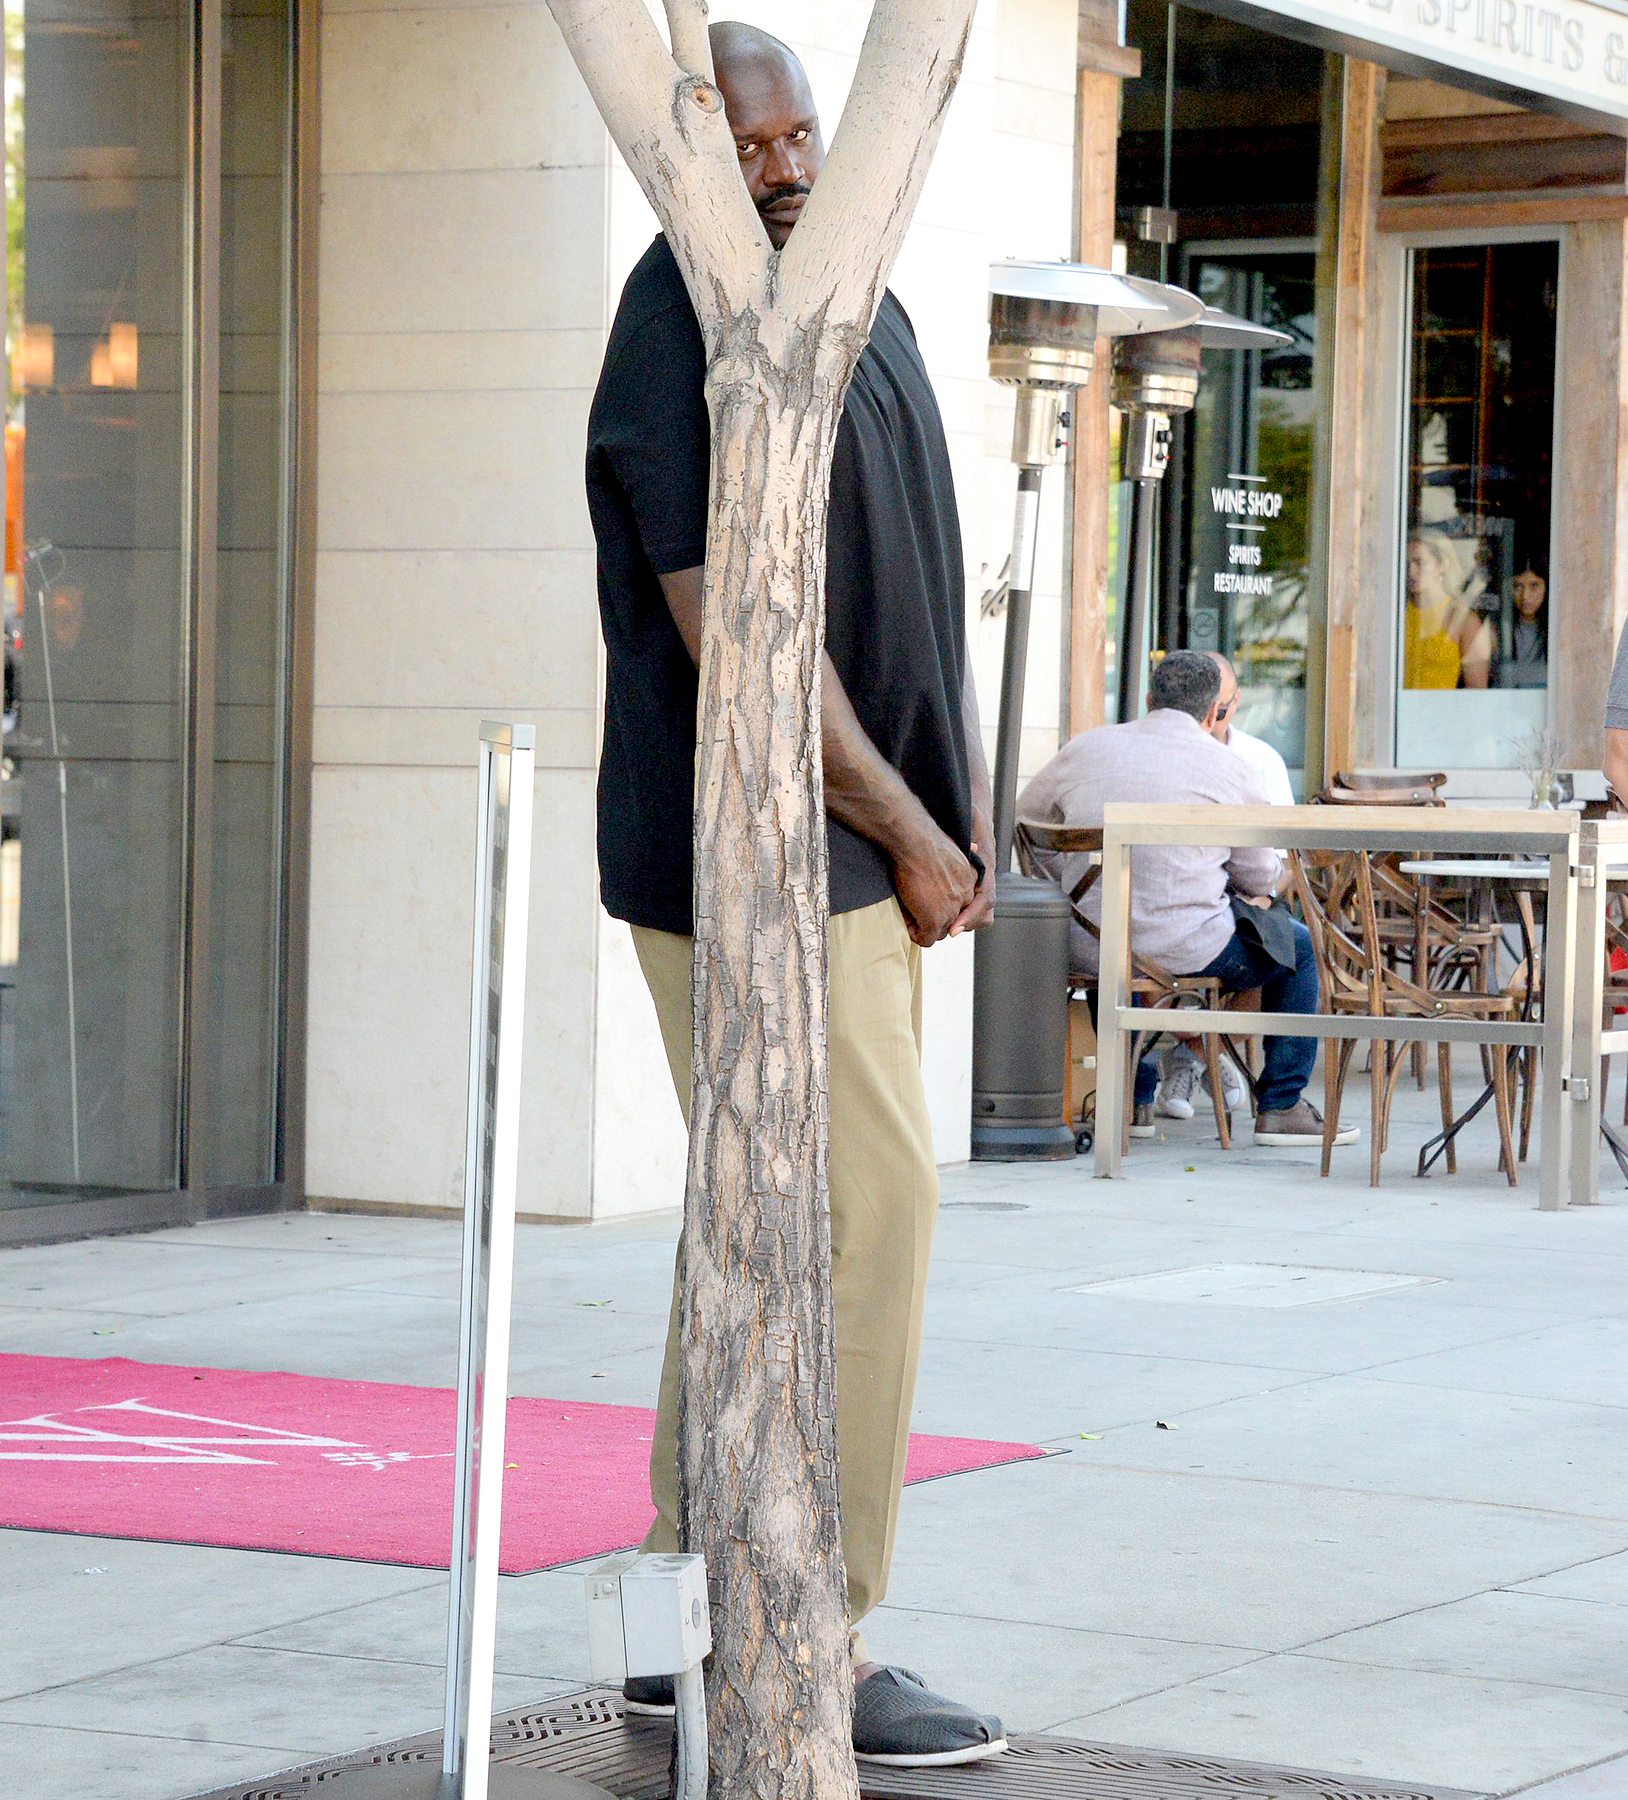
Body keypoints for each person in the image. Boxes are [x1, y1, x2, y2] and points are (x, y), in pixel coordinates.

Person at [585, 21, 1004, 1767]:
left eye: (797, 134)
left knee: (755, 1230)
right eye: (746, 142)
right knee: (864, 1214)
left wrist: (939, 823)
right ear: (687, 146)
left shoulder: (854, 298)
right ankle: (814, 1632)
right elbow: (732, 626)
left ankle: (683, 1617)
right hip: (758, 855)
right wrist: (908, 828)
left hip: (862, 853)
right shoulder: (678, 319)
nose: (779, 169)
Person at [1018, 650, 1357, 1149]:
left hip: (1085, 943)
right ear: (1214, 712)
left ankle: (1132, 1099)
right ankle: (1282, 1106)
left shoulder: (1084, 747)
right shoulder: (1229, 766)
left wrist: (1070, 893)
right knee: (1299, 948)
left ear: (1149, 700)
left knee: (1115, 946)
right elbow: (1261, 874)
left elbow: (1027, 824)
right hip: (1187, 948)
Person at [1154, 652, 1293, 1122]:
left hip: (1236, 900)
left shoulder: (1259, 760)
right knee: (1285, 945)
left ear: (1233, 705)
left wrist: (1261, 896)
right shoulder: (1160, 756)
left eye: (1226, 706)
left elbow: (1283, 859)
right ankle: (1220, 1064)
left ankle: (1192, 1057)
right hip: (1175, 908)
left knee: (1269, 931)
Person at [1404, 531, 1492, 690]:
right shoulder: (1395, 613)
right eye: (1406, 564)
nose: (1411, 572)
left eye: (1420, 563)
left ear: (1443, 564)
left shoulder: (1463, 619)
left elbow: (1476, 690)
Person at [1501, 561, 1548, 689]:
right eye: (1517, 586)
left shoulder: (1557, 629)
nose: (1525, 596)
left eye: (1534, 586)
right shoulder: (1499, 630)